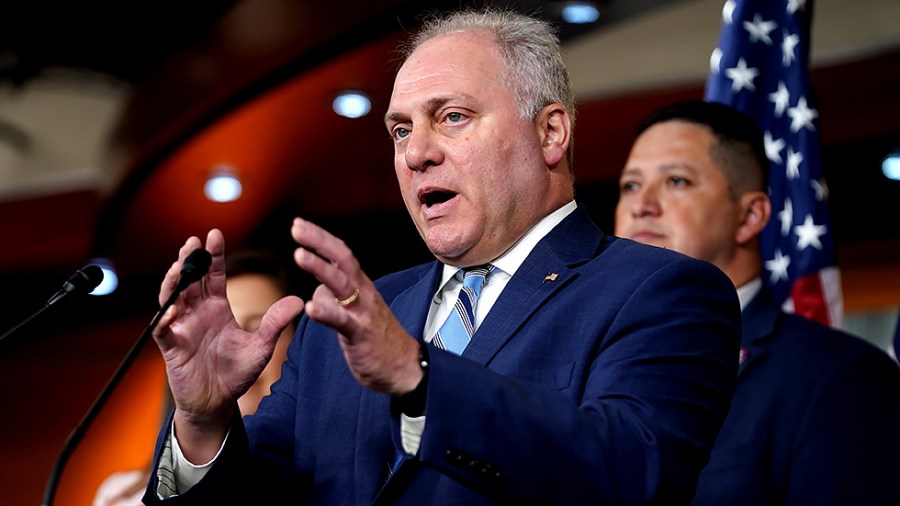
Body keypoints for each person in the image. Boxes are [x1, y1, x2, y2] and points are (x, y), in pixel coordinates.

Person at [142, 10, 742, 505]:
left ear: (551, 134)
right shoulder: (339, 331)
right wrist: (203, 420)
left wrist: (417, 377)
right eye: (401, 130)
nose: (416, 153)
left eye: (451, 117)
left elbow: (630, 474)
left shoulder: (663, 292)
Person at [614, 99, 900, 506]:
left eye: (676, 181)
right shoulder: (598, 361)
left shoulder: (839, 377)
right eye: (630, 185)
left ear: (749, 217)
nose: (641, 205)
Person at [93, 250, 299, 506]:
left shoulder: (324, 472)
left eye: (259, 326)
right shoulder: (119, 495)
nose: (236, 346)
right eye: (221, 331)